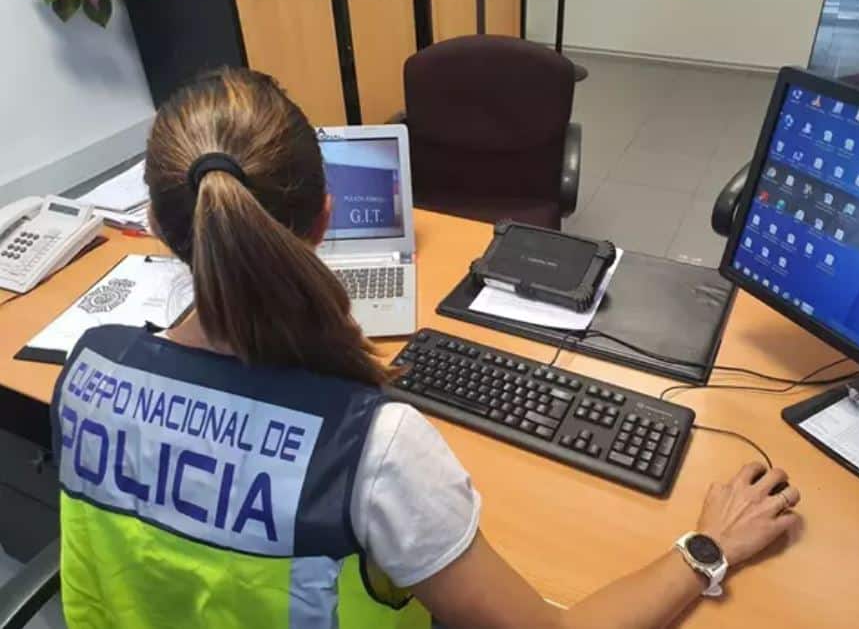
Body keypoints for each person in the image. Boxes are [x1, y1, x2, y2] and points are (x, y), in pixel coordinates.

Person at [51, 67, 802, 629]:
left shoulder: (88, 371)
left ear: (152, 219)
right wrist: (710, 545)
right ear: (325, 218)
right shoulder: (371, 449)